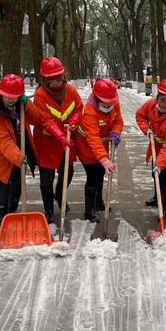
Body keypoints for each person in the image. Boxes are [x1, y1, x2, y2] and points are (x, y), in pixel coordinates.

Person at [0, 74, 40, 229]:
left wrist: (27, 104)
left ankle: (13, 215)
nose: (10, 99)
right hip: (2, 156)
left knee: (17, 189)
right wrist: (19, 156)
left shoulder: (20, 106)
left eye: (15, 96)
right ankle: (3, 220)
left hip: (19, 151)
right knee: (3, 188)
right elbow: (3, 140)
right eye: (7, 96)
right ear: (0, 93)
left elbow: (36, 120)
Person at [33, 56, 83, 223]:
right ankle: (48, 209)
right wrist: (60, 135)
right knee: (46, 181)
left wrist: (75, 119)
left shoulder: (71, 90)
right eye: (50, 80)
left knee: (67, 174)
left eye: (58, 79)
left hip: (67, 142)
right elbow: (45, 119)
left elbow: (78, 107)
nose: (55, 83)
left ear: (63, 76)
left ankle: (60, 196)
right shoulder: (40, 95)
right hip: (47, 143)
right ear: (44, 80)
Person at [136, 78, 166, 220]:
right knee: (155, 175)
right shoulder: (151, 105)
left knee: (165, 178)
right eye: (163, 100)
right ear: (158, 97)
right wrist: (147, 130)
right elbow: (140, 115)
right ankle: (158, 198)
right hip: (157, 147)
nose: (165, 104)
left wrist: (160, 164)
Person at [76, 78, 124, 223]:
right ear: (96, 98)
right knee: (93, 176)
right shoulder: (89, 112)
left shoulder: (114, 103)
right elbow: (93, 138)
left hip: (102, 146)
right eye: (105, 102)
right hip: (87, 147)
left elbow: (118, 121)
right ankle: (89, 210)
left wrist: (116, 132)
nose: (109, 105)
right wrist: (104, 159)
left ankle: (98, 202)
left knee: (101, 173)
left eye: (110, 101)